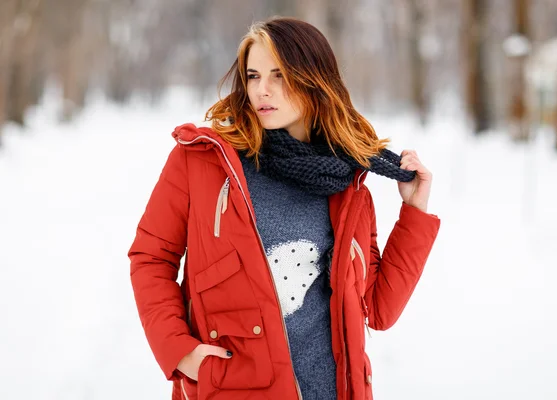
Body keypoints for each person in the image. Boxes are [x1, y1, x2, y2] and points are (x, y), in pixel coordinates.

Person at [128, 16, 440, 400]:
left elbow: (377, 308)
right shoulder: (204, 162)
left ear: (314, 79)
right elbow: (151, 257)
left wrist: (415, 211)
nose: (263, 90)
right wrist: (180, 351)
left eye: (279, 75)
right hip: (234, 388)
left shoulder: (347, 183)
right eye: (254, 76)